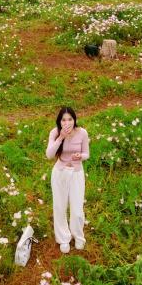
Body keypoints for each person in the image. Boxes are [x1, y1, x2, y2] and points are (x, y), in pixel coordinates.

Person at [45, 107, 89, 254]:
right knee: (60, 206)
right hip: (60, 173)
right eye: (63, 120)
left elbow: (86, 153)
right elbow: (49, 155)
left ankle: (78, 236)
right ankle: (64, 238)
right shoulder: (55, 132)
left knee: (77, 209)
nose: (67, 122)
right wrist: (61, 137)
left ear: (74, 119)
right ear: (59, 121)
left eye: (70, 119)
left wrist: (80, 156)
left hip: (76, 173)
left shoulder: (82, 133)